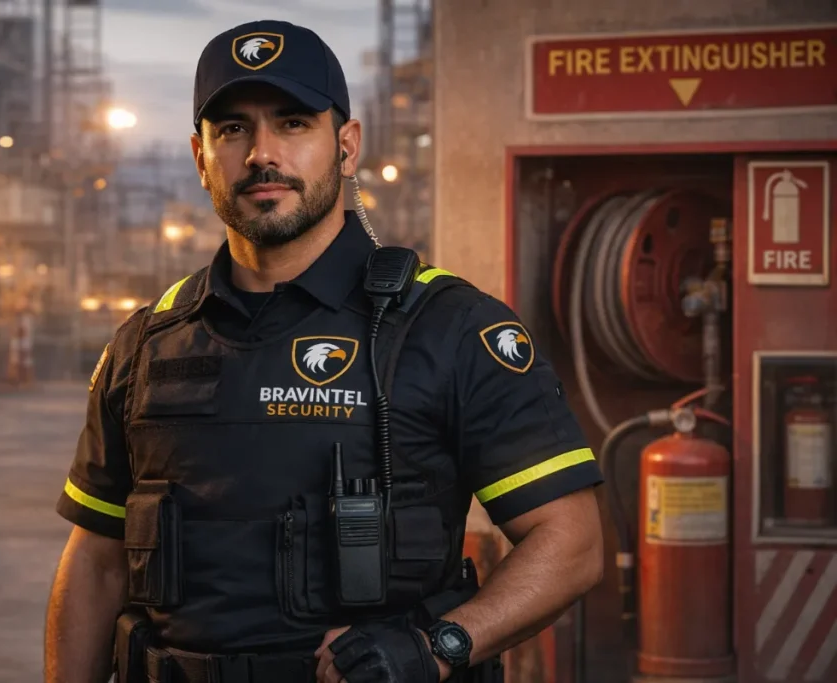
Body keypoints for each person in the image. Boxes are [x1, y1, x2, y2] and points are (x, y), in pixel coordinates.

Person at [45, 19, 604, 683]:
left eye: (292, 123)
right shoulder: (145, 345)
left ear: (346, 146)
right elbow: (97, 560)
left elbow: (571, 542)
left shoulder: (450, 329)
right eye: (231, 129)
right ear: (200, 157)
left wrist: (439, 644)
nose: (260, 153)